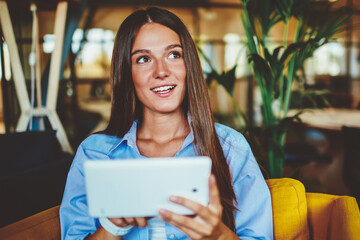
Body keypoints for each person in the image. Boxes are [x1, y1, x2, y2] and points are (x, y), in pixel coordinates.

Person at [60, 7, 273, 240]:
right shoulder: (94, 153)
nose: (161, 71)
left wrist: (218, 235)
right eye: (143, 59)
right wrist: (113, 226)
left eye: (174, 55)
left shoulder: (230, 147)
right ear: (126, 72)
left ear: (188, 64)